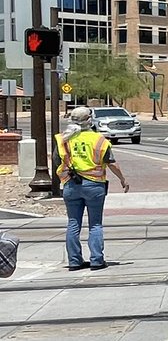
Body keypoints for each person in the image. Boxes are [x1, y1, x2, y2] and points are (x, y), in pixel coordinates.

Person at [54, 106, 129, 271]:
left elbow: (55, 161)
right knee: (95, 224)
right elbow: (111, 162)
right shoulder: (98, 140)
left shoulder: (63, 139)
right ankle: (96, 260)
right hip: (94, 186)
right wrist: (122, 179)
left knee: (73, 223)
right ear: (89, 121)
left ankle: (74, 261)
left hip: (71, 185)